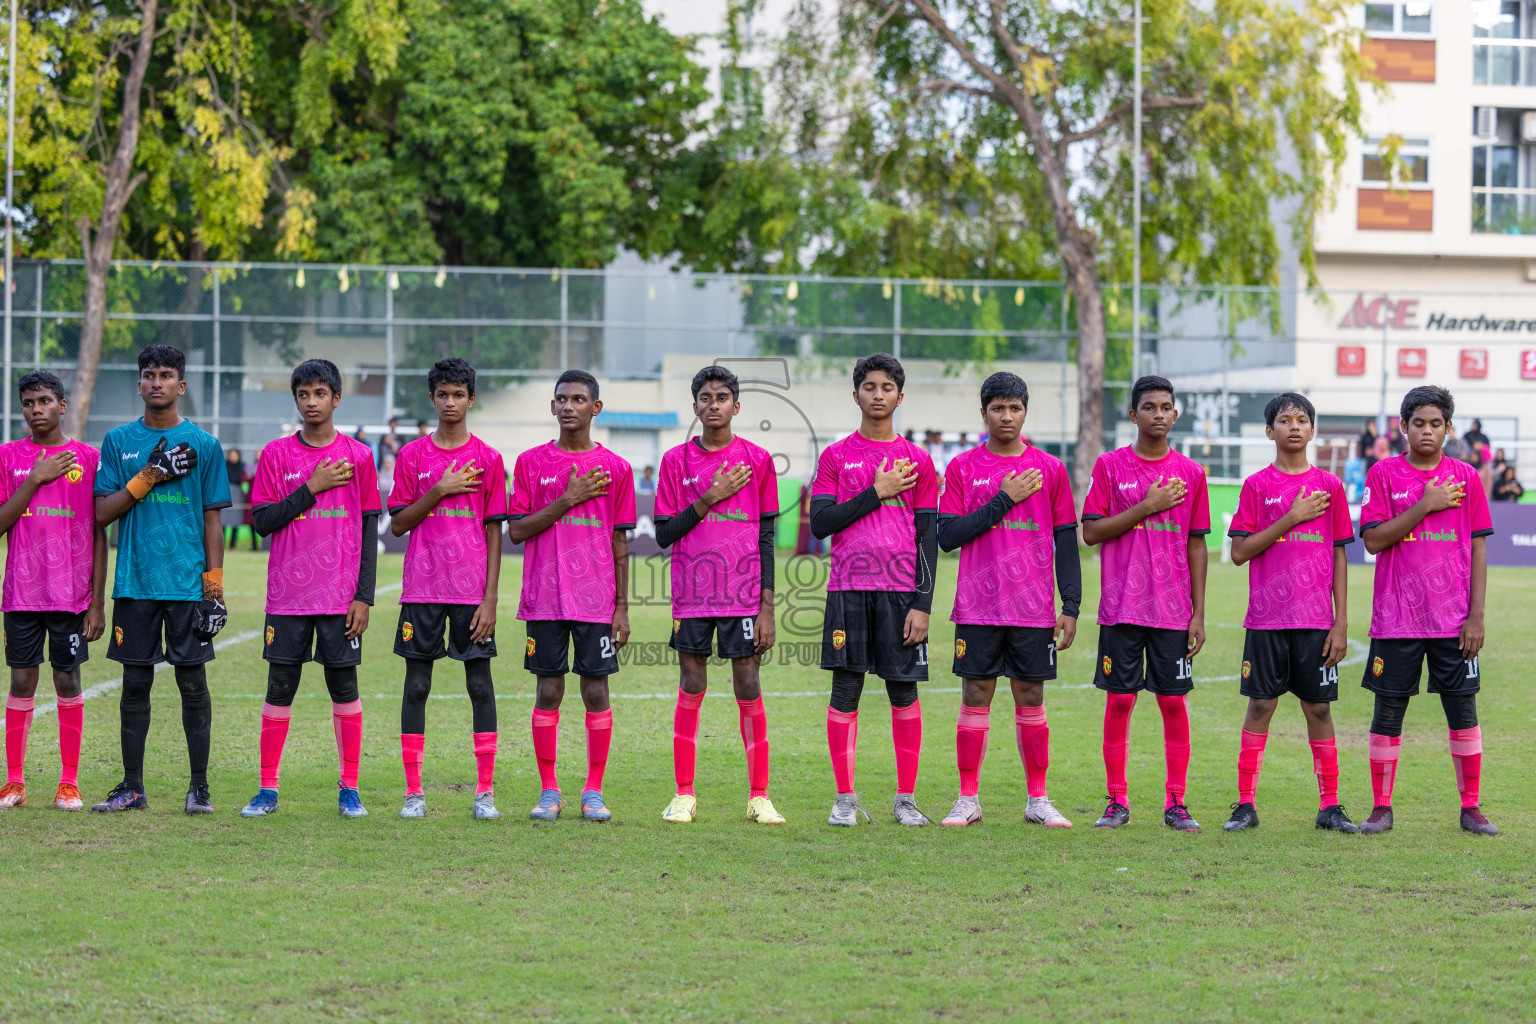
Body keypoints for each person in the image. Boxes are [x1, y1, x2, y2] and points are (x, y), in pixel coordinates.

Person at [935, 372, 1079, 828]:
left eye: (1014, 408)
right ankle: (967, 798)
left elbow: (1066, 540)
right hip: (977, 606)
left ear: (1025, 412)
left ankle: (1038, 799)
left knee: (1031, 696)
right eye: (997, 408)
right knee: (975, 694)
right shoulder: (962, 468)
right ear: (983, 414)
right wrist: (1002, 499)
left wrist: (1070, 605)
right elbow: (947, 536)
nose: (1006, 416)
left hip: (1033, 607)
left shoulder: (1050, 469)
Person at [239, 359, 381, 819]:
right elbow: (261, 522)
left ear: (336, 399)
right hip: (288, 597)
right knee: (280, 686)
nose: (312, 401)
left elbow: (367, 529)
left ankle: (350, 789)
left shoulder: (359, 456)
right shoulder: (277, 455)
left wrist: (364, 596)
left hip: (341, 598)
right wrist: (311, 486)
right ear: (296, 400)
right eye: (304, 394)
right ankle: (267, 789)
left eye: (321, 393)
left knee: (344, 686)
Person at [91, 345, 230, 814]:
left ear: (181, 386)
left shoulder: (204, 445)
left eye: (166, 375)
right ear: (139, 384)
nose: (156, 382)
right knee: (135, 685)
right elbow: (101, 512)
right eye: (148, 374)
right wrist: (150, 473)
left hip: (188, 587)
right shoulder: (117, 441)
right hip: (135, 583)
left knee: (193, 684)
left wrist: (214, 592)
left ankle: (199, 789)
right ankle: (133, 787)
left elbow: (214, 522)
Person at [1358, 386, 1497, 835]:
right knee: (1389, 711)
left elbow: (1478, 548)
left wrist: (1476, 615)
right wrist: (1426, 504)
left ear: (1449, 428)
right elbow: (1375, 540)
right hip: (1396, 617)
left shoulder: (1466, 477)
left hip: (1453, 620)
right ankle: (1381, 808)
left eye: (1436, 423)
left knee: (1463, 710)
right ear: (1404, 426)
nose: (1427, 431)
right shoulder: (1383, 474)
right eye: (1418, 422)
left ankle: (1471, 808)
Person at [809, 353, 939, 827]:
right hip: (848, 589)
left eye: (887, 387)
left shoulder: (920, 461)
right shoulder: (836, 457)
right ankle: (844, 800)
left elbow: (928, 538)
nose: (878, 394)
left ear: (900, 397)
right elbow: (821, 523)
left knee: (903, 692)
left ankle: (905, 800)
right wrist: (875, 491)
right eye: (869, 386)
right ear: (856, 394)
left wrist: (922, 605)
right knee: (846, 690)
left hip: (901, 594)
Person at [1222, 393, 1357, 834]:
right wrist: (1292, 516)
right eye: (1285, 420)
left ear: (1313, 430)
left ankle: (1331, 807)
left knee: (1318, 710)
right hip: (1266, 618)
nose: (1294, 426)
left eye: (1302, 420)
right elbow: (1240, 551)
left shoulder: (1330, 487)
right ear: (1270, 431)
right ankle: (1244, 805)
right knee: (1260, 705)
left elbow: (1339, 555)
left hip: (1317, 621)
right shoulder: (1257, 486)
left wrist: (1340, 621)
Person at [1081, 375, 1211, 833]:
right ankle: (1117, 801)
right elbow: (1092, 532)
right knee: (1120, 702)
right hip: (1121, 608)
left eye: (1166, 407)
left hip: (1173, 612)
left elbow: (1197, 545)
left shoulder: (1192, 474)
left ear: (1175, 415)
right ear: (1133, 415)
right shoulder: (1110, 467)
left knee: (1173, 704)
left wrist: (1198, 612)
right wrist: (1148, 505)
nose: (1158, 414)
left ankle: (1176, 803)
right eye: (1149, 407)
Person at [655, 366, 783, 826]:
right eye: (706, 397)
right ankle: (684, 794)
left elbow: (767, 537)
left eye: (722, 397)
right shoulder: (675, 462)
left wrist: (767, 607)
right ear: (695, 407)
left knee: (748, 685)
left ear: (736, 405)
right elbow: (666, 533)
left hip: (744, 596)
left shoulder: (758, 459)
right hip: (692, 596)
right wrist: (709, 497)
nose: (714, 404)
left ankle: (759, 797)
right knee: (692, 684)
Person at [509, 370, 635, 822]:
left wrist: (622, 607)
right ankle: (549, 791)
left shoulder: (617, 469)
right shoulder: (529, 463)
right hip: (544, 598)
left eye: (578, 399)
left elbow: (621, 542)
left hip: (596, 602)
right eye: (561, 399)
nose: (568, 406)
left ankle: (594, 791)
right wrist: (568, 498)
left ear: (595, 408)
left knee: (596, 691)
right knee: (549, 690)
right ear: (552, 406)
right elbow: (518, 531)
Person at [386, 358, 509, 820]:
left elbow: (495, 531)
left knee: (480, 686)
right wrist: (439, 489)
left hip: (471, 595)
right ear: (432, 398)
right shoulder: (412, 456)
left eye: (459, 394)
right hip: (422, 591)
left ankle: (484, 794)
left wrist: (491, 598)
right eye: (443, 394)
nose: (451, 402)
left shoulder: (489, 459)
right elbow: (397, 524)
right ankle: (414, 793)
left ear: (471, 399)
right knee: (416, 688)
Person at [0, 372, 106, 811]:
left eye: (44, 401)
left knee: (67, 680)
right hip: (22, 592)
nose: (36, 409)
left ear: (62, 406)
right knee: (22, 680)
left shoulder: (89, 458)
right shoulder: (8, 457)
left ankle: (69, 782)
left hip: (71, 594)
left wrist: (97, 602)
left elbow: (99, 532)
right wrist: (34, 479)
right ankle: (14, 782)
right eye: (28, 402)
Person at [224, 447, 247, 548]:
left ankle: (232, 545)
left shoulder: (242, 466)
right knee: (223, 520)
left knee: (235, 520)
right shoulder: (225, 465)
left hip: (237, 494)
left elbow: (240, 478)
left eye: (235, 455)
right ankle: (221, 543)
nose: (233, 457)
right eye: (231, 455)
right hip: (226, 492)